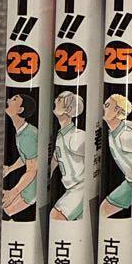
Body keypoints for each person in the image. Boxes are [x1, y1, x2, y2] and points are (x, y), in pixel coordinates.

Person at [49, 91, 86, 221]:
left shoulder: (77, 136)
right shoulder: (61, 135)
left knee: (55, 217)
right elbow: (56, 158)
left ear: (68, 109)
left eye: (59, 100)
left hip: (80, 190)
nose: (55, 100)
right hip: (71, 190)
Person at [2, 94, 39, 217]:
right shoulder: (22, 131)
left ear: (20, 110)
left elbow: (32, 170)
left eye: (14, 99)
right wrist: (10, 169)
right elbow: (26, 157)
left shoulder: (28, 136)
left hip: (31, 187)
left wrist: (13, 192)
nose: (8, 100)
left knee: (6, 211)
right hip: (28, 183)